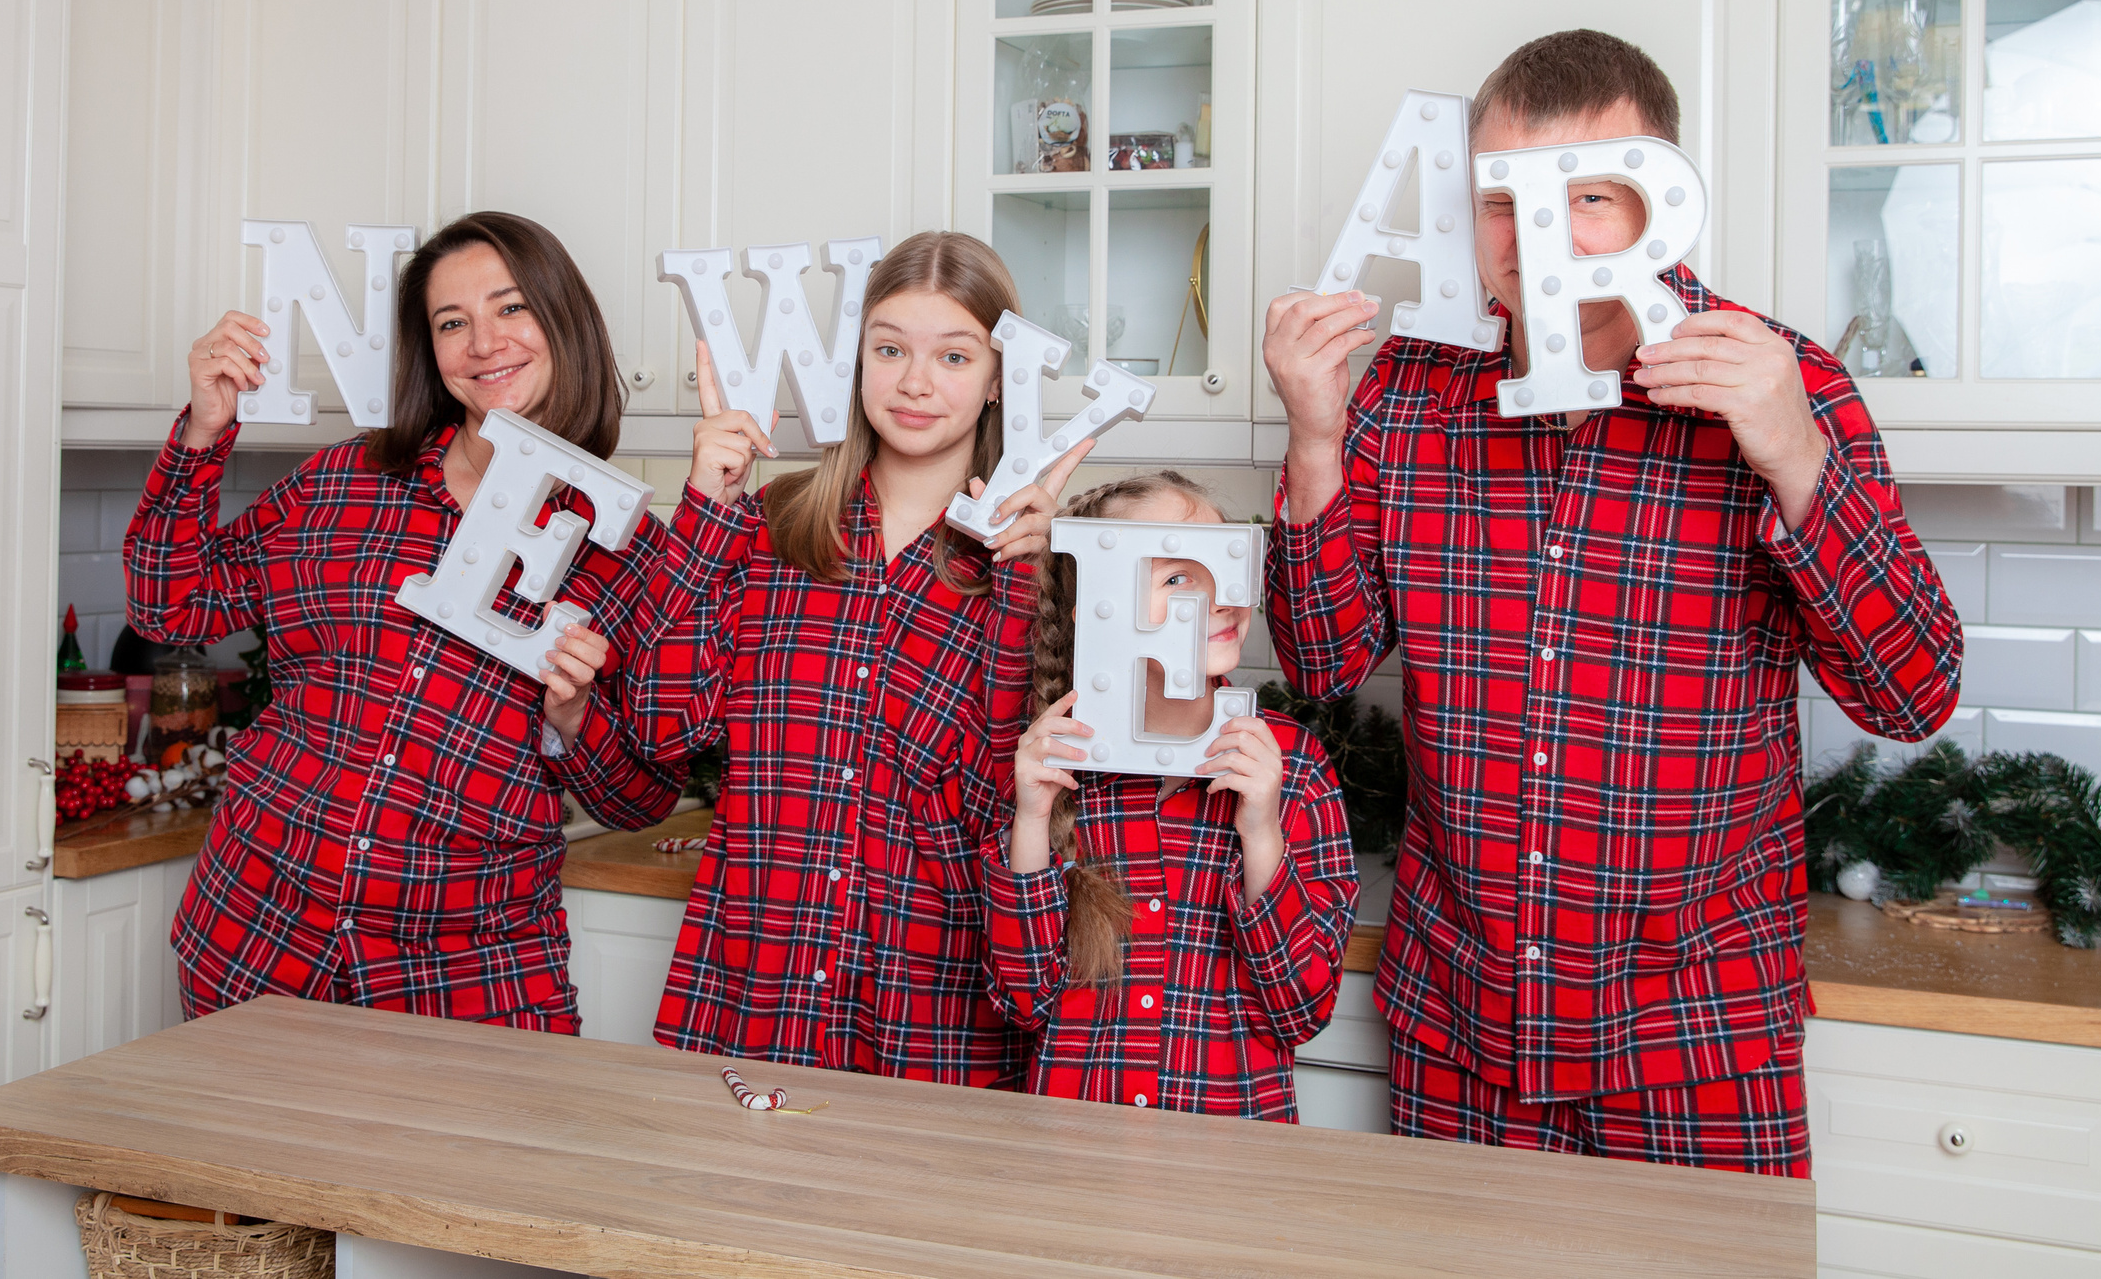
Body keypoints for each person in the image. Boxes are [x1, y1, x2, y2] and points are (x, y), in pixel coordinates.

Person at [1262, 29, 1961, 1174]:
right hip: (1461, 1025)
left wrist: (1792, 457)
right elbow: (1325, 660)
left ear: (1660, 203)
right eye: (1502, 198)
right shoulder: (1411, 384)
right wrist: (1314, 437)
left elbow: (1912, 692)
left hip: (1694, 1035)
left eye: (1587, 195)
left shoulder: (1782, 380)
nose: (1533, 237)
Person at [128, 211, 683, 1028]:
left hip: (469, 976)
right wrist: (203, 434)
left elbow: (642, 799)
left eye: (511, 307)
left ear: (564, 321)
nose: (484, 343)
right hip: (255, 936)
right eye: (451, 322)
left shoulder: (630, 551)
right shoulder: (341, 482)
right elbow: (170, 604)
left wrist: (572, 713)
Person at [630, 231, 1085, 1085]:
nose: (916, 382)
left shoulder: (1035, 565)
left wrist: (1026, 582)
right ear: (857, 362)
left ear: (998, 383)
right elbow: (661, 724)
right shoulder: (770, 525)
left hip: (929, 1024)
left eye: (954, 355)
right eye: (890, 349)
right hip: (749, 1006)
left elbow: (1014, 805)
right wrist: (702, 508)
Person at [986, 472, 1356, 1119]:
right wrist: (1031, 819)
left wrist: (1262, 831)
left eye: (1223, 568)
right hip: (1072, 1155)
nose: (1215, 598)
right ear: (1099, 603)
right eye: (1177, 577)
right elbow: (1023, 1001)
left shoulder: (1293, 765)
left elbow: (1303, 1008)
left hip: (1231, 1165)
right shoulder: (1056, 765)